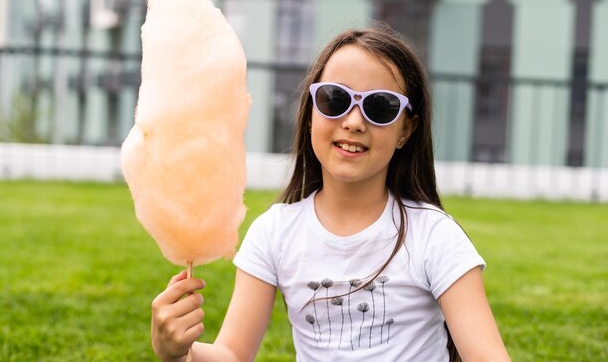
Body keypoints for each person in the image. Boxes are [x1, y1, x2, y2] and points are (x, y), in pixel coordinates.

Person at [150, 25, 512, 362]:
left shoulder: (434, 236)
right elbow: (232, 353)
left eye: (380, 107)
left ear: (406, 130)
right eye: (335, 99)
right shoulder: (275, 233)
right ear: (310, 114)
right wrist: (179, 352)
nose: (354, 121)